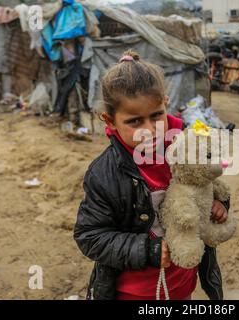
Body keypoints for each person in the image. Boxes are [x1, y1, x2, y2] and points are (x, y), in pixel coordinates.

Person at [73, 50, 230, 300]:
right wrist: (148, 250)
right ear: (110, 120)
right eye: (135, 122)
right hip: (135, 292)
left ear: (165, 102)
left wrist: (218, 205)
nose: (150, 130)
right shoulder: (104, 174)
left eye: (157, 116)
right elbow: (90, 236)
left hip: (182, 283)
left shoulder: (185, 148)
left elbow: (207, 183)